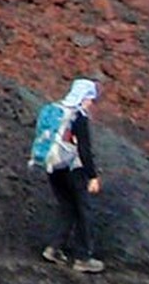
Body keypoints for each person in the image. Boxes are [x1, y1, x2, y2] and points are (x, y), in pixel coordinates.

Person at [42, 78, 105, 273]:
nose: (91, 104)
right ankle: (83, 257)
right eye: (91, 99)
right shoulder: (78, 116)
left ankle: (54, 248)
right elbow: (84, 150)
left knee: (67, 208)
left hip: (53, 166)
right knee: (85, 210)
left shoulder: (56, 109)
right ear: (85, 97)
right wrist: (92, 176)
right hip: (72, 169)